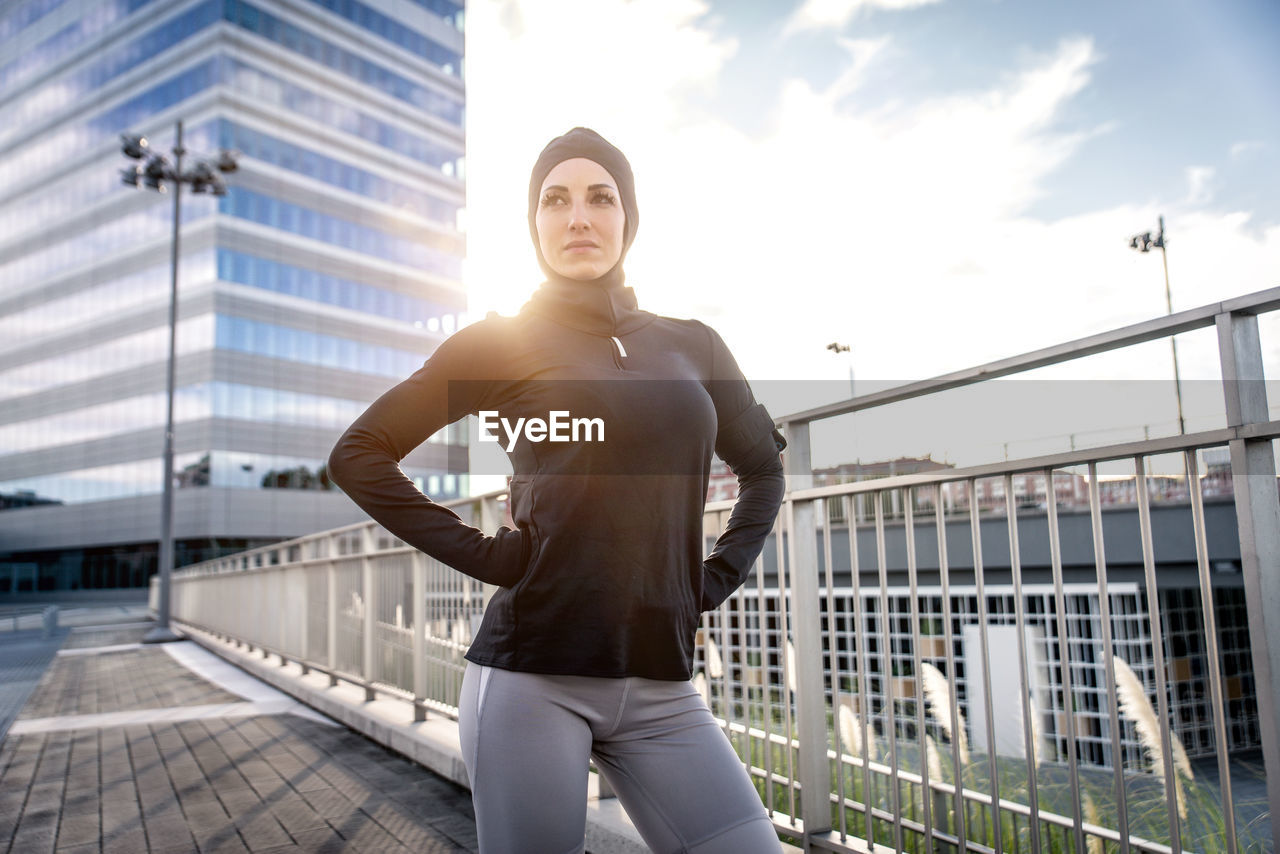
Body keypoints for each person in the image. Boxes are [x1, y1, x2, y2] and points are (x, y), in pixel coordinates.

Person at [328, 127, 786, 853]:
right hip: (532, 677)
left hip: (662, 682)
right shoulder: (499, 341)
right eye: (555, 200)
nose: (579, 217)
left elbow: (764, 470)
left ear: (627, 218)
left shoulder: (694, 344)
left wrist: (710, 580)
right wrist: (489, 556)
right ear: (533, 225)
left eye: (600, 198)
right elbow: (360, 453)